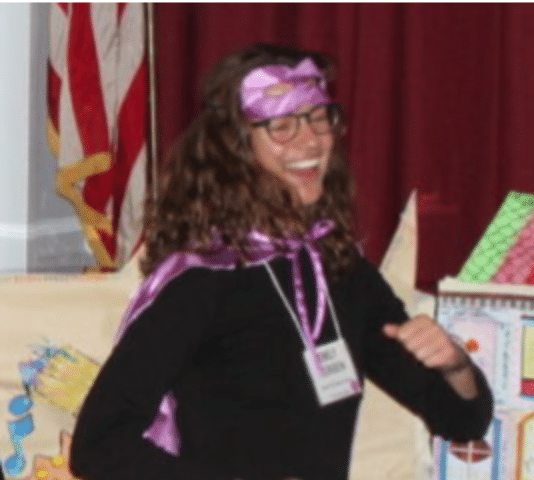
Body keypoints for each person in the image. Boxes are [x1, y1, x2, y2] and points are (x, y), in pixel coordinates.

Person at [70, 43, 493, 480]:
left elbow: (461, 421)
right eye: (282, 126)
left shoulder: (339, 268)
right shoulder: (202, 280)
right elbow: (99, 446)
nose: (310, 140)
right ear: (235, 148)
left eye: (317, 118)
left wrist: (454, 365)